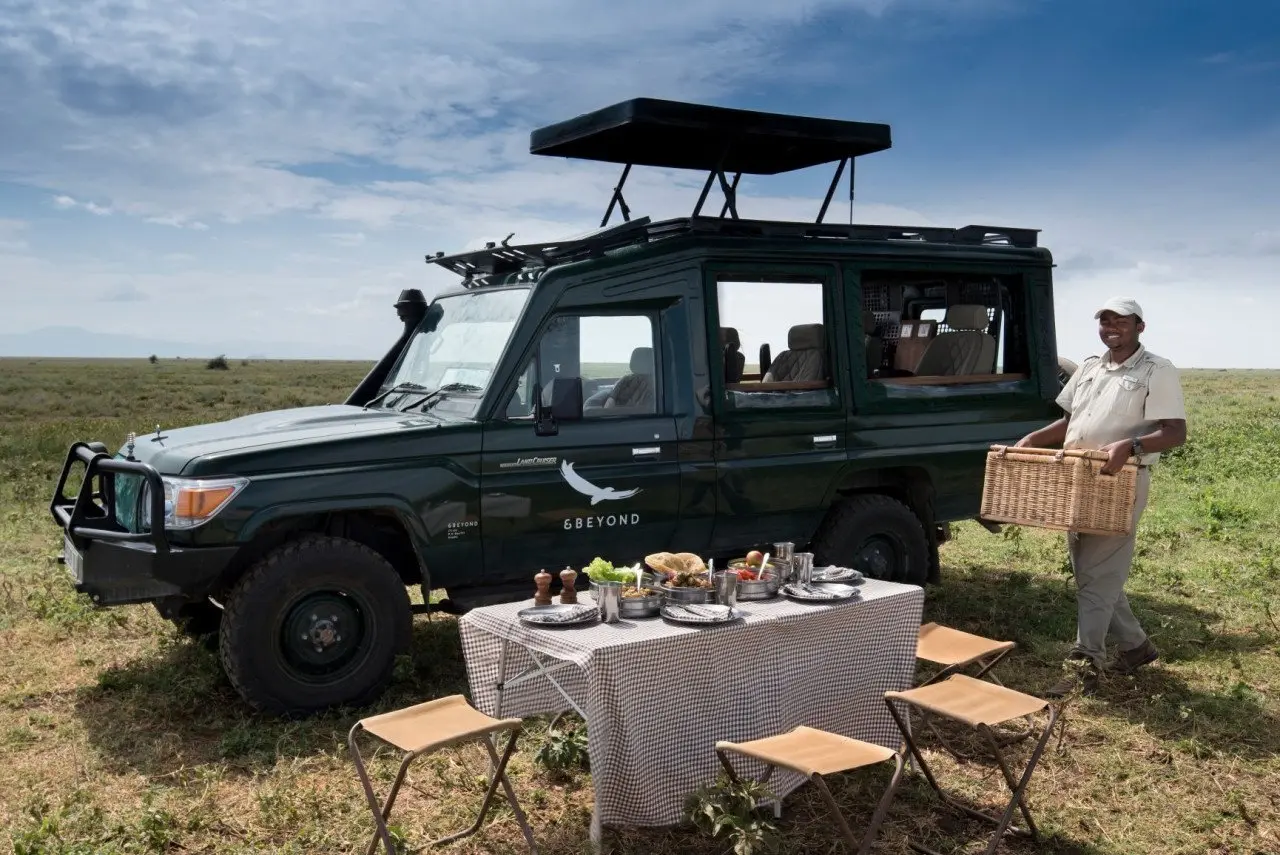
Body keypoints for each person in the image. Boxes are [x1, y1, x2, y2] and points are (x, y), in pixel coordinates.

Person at [1015, 297, 1187, 698]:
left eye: (1120, 321)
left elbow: (1175, 432)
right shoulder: (1091, 367)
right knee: (1092, 571)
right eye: (1105, 321)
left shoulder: (1156, 370)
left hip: (1119, 480)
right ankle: (1135, 647)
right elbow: (1069, 421)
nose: (1111, 327)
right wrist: (1031, 440)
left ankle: (1084, 662)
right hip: (1079, 476)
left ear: (1139, 327)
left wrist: (1131, 445)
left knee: (1096, 573)